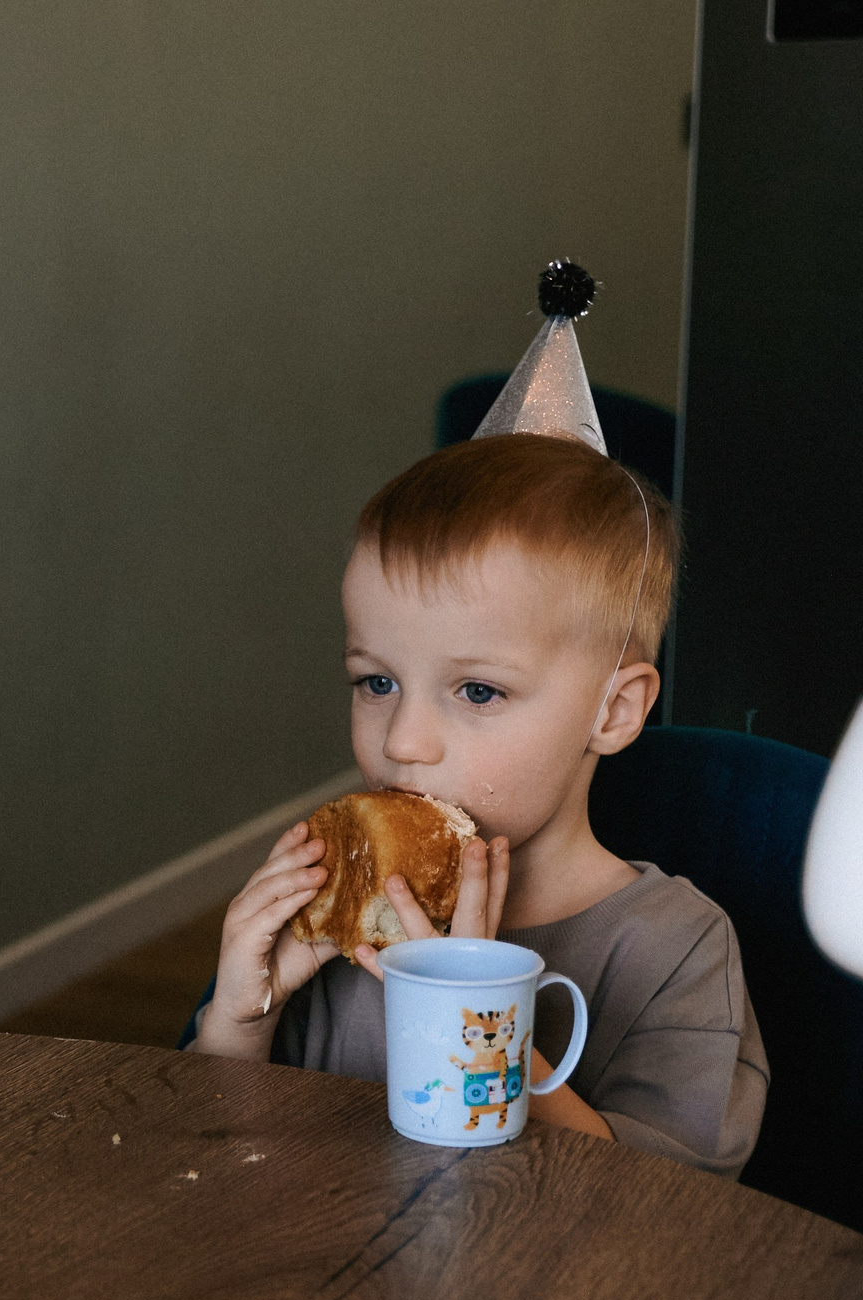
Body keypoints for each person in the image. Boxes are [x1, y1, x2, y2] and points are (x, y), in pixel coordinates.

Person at [191, 430, 766, 1175]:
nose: (403, 740)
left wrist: (480, 1016)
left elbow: (672, 1207)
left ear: (613, 710)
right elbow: (214, 1167)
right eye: (377, 682)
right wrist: (239, 1022)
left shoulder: (676, 949)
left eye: (478, 691)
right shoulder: (341, 921)